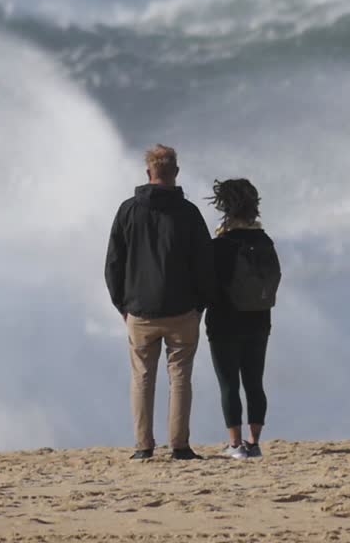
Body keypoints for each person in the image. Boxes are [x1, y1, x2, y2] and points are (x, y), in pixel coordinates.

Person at [105, 144, 215, 461]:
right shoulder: (189, 213)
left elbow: (113, 263)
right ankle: (179, 446)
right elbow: (205, 264)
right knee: (180, 378)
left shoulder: (128, 210)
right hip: (182, 310)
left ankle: (143, 446)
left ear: (148, 172)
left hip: (140, 310)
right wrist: (200, 304)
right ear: (175, 173)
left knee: (142, 378)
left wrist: (122, 305)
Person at [205, 178, 280, 460]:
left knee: (229, 385)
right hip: (259, 320)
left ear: (224, 207)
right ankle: (254, 442)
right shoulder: (265, 241)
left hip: (224, 321)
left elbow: (208, 285)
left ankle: (235, 444)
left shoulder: (220, 245)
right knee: (254, 382)